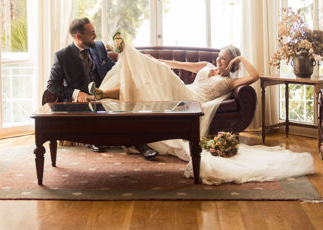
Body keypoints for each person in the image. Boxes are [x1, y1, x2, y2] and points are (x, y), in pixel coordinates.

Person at [87, 32, 315, 184]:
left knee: (159, 76)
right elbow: (178, 65)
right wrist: (153, 62)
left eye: (224, 59)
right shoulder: (206, 66)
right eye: (219, 57)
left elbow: (255, 76)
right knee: (144, 84)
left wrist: (241, 59)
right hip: (184, 92)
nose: (219, 61)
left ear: (232, 63)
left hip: (191, 102)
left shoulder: (230, 81)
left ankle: (125, 49)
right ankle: (102, 92)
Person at [47, 18, 158, 160]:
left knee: (126, 110)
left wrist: (133, 62)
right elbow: (51, 85)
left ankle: (141, 145)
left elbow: (113, 69)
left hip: (105, 95)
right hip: (82, 103)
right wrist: (77, 93)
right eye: (91, 33)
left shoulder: (99, 47)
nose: (95, 36)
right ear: (79, 37)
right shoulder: (62, 56)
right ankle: (96, 139)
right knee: (108, 113)